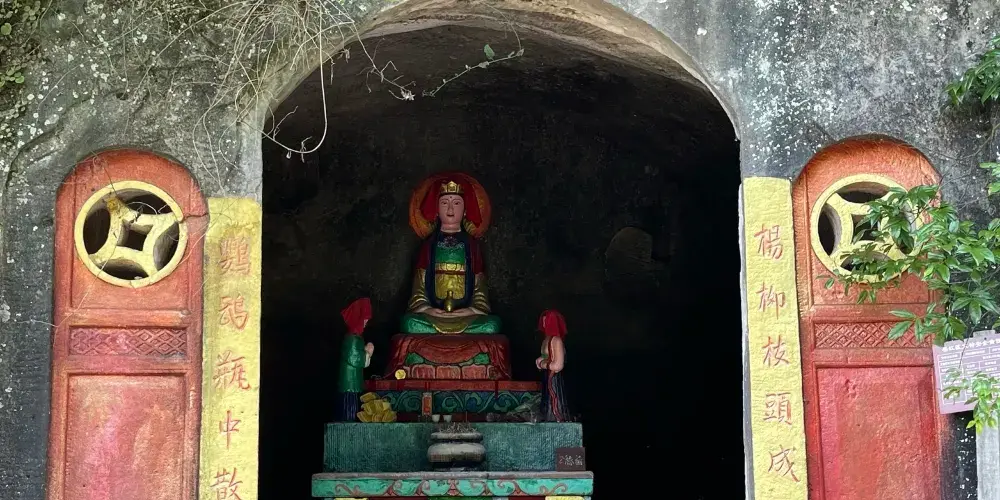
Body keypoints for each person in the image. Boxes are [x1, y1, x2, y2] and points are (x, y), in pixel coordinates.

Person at [401, 178, 501, 334]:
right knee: (409, 323)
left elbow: (480, 292)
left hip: (465, 317)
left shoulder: (472, 246)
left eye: (456, 203)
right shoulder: (429, 245)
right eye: (444, 203)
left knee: (492, 325)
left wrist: (471, 310)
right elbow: (418, 292)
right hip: (434, 316)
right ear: (436, 209)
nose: (450, 209)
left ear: (465, 210)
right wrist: (427, 309)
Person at [337, 298, 374, 421]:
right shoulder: (352, 339)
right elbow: (354, 358)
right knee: (349, 405)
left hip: (354, 379)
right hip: (349, 382)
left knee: (354, 403)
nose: (366, 323)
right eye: (364, 320)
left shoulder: (356, 338)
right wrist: (367, 353)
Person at [536, 309, 570, 422]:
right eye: (543, 321)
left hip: (554, 379)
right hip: (546, 377)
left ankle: (556, 419)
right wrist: (540, 360)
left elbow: (558, 365)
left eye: (546, 321)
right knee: (545, 402)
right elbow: (546, 356)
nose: (544, 324)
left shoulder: (556, 340)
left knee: (554, 403)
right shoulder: (546, 340)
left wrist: (543, 364)